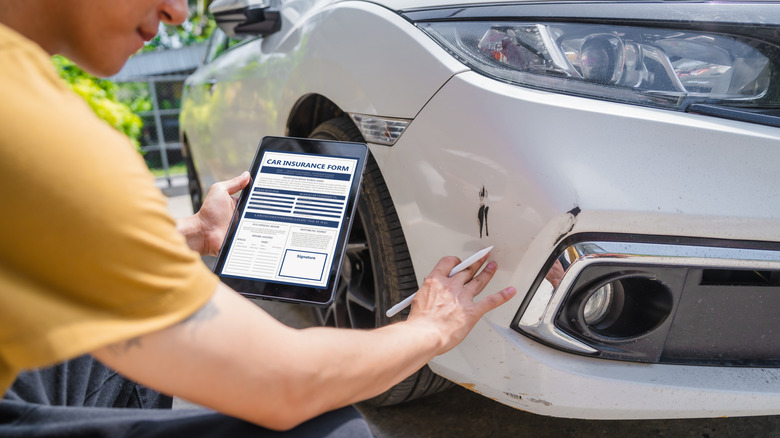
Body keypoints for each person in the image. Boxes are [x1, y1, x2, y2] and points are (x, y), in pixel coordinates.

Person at [0, 0, 517, 436]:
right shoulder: (34, 131)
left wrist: (191, 235)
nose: (178, 13)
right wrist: (431, 329)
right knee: (326, 424)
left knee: (134, 320)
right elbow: (285, 385)